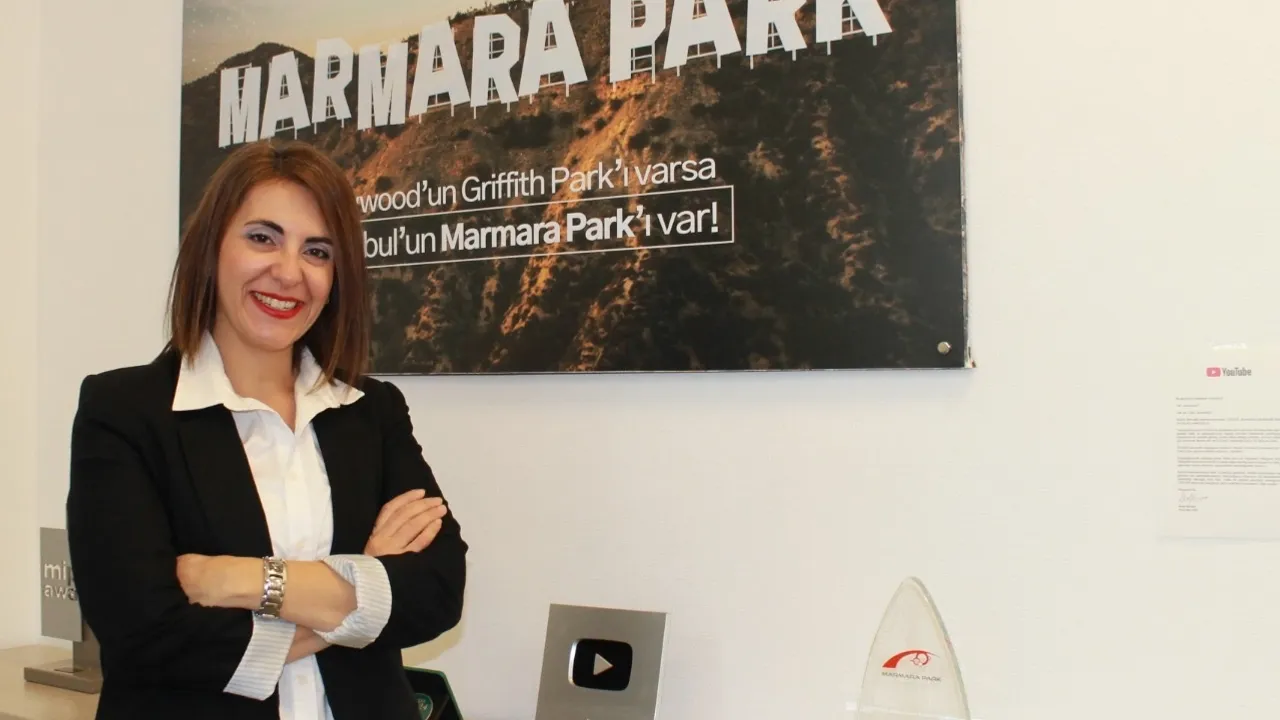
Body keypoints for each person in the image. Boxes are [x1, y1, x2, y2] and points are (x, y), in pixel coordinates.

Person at [65, 140, 467, 719]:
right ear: (211, 248)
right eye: (262, 238)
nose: (289, 272)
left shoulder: (370, 411)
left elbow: (437, 591)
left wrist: (242, 580)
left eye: (317, 251)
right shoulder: (125, 412)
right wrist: (362, 588)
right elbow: (146, 636)